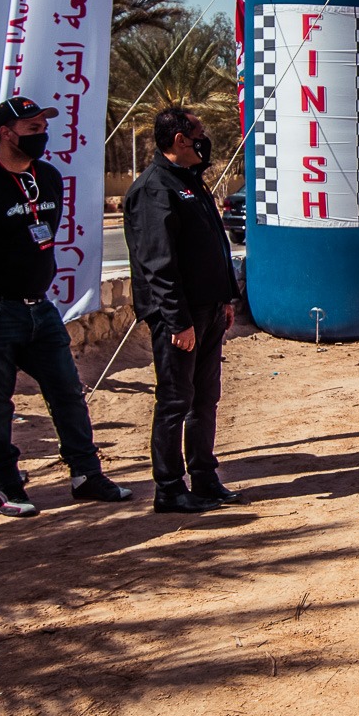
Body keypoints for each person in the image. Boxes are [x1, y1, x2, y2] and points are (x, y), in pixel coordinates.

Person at [0, 97, 133, 515]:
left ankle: (86, 474)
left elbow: (45, 234)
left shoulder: (48, 177)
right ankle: (5, 484)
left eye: (42, 126)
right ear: (6, 133)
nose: (41, 134)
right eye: (31, 128)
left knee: (68, 390)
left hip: (41, 309)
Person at [125, 106, 241, 514]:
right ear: (179, 139)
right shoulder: (154, 189)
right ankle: (170, 487)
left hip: (210, 311)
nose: (203, 139)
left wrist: (226, 299)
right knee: (176, 401)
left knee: (205, 398)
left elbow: (214, 248)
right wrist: (177, 321)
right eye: (198, 132)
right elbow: (157, 264)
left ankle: (205, 478)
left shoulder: (191, 182)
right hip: (180, 318)